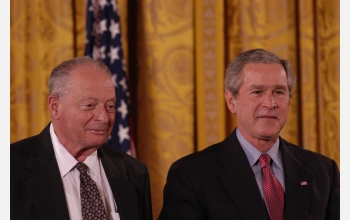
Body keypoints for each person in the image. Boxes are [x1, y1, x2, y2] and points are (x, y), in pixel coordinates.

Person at [158, 48, 340, 220]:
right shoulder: (190, 175)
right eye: (257, 92)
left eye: (278, 92)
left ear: (289, 101)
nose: (270, 103)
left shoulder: (324, 171)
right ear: (231, 101)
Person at [11, 57, 153, 220]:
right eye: (89, 106)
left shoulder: (134, 172)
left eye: (110, 106)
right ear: (55, 106)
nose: (104, 118)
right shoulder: (10, 168)